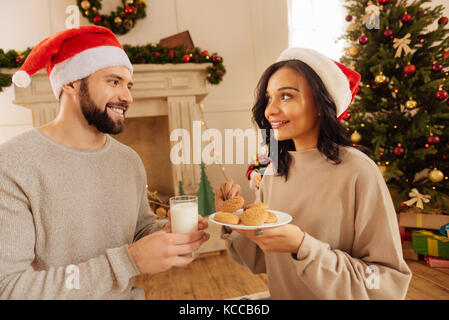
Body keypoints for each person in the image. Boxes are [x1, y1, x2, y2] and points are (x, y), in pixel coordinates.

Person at [0, 26, 209, 300]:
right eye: (114, 82)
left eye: (128, 85)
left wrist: (167, 235)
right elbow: (10, 288)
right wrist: (127, 261)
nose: (127, 96)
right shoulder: (14, 163)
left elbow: (139, 232)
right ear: (71, 82)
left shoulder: (128, 161)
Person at [215, 47, 412, 299]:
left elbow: (385, 281)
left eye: (286, 96)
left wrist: (303, 247)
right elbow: (262, 261)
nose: (270, 110)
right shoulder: (275, 170)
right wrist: (233, 218)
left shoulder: (358, 171)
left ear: (321, 104)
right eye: (269, 98)